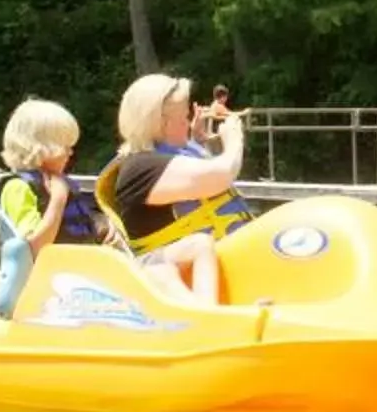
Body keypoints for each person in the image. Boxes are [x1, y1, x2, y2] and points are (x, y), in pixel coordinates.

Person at [96, 74, 257, 305]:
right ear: (160, 122)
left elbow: (201, 178)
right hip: (170, 268)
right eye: (183, 116)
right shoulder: (139, 168)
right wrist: (234, 140)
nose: (188, 120)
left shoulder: (173, 153)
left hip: (233, 256)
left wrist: (200, 143)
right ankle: (207, 319)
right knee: (199, 244)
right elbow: (221, 174)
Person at [0, 99, 105, 316]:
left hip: (79, 279)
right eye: (65, 146)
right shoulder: (18, 188)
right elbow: (35, 247)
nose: (71, 153)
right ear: (40, 147)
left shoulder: (62, 182)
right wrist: (58, 200)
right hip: (47, 286)